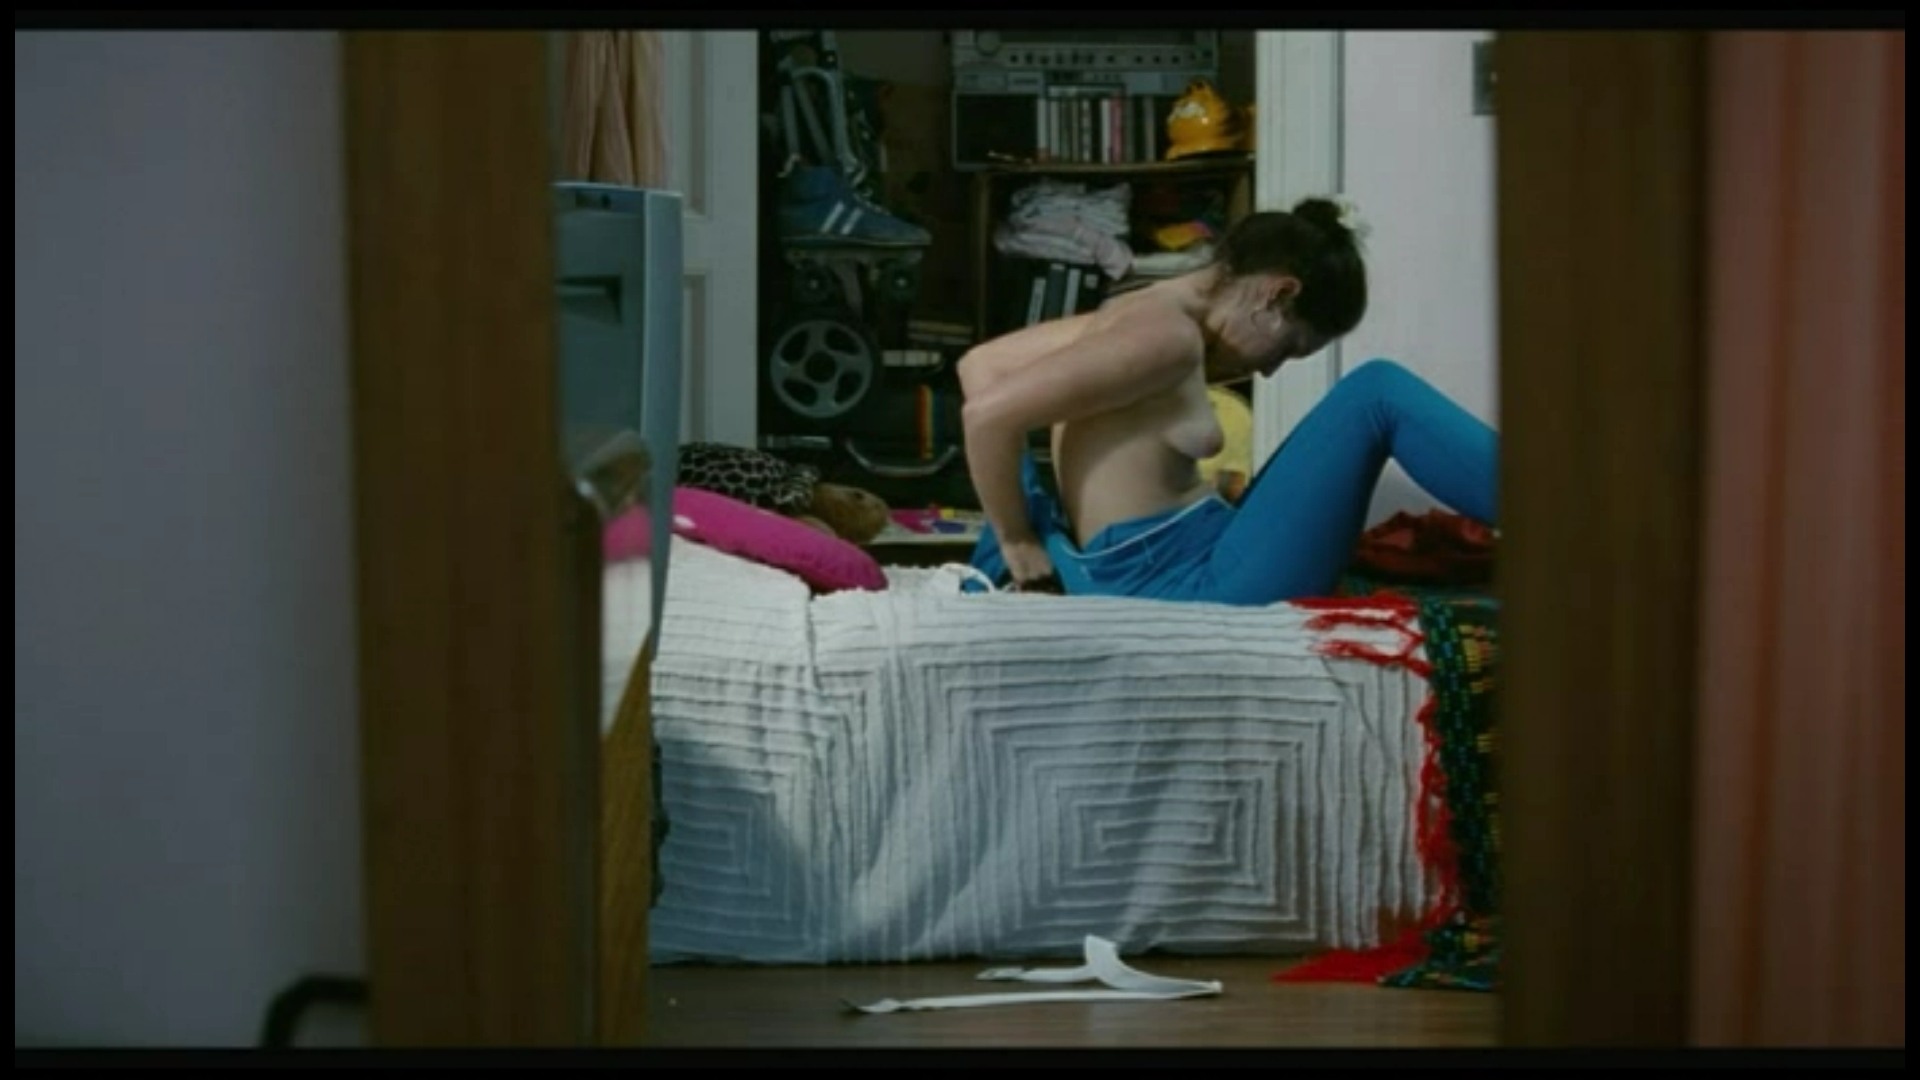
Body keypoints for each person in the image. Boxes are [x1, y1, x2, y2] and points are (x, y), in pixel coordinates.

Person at [957, 195, 1500, 605]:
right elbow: (986, 417)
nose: (1269, 369)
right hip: (1185, 582)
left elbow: (980, 366)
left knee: (1372, 396)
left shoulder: (1137, 312)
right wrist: (1017, 539)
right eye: (1288, 348)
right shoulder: (1165, 338)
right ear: (1277, 294)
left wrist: (1042, 517)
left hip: (1175, 560)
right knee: (1376, 394)